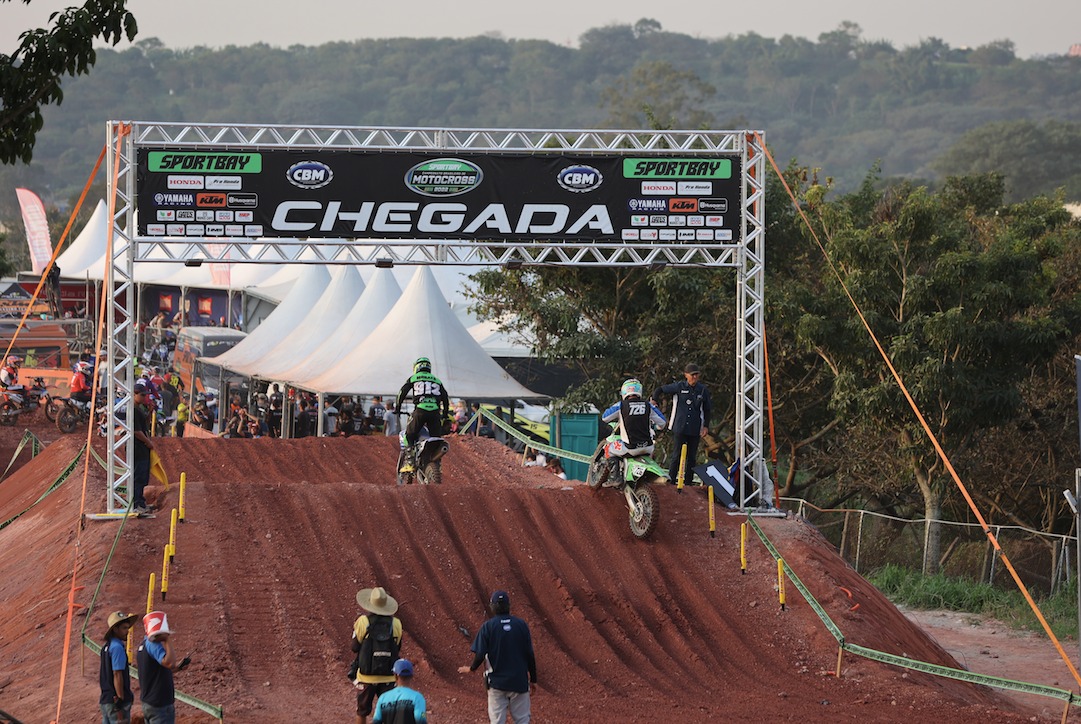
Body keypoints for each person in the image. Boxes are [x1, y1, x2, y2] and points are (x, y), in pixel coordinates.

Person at [458, 590, 536, 724]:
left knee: (497, 721)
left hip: (497, 683)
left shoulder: (488, 627)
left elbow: (480, 654)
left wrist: (472, 669)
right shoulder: (521, 625)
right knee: (523, 720)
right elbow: (529, 654)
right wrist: (533, 679)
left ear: (493, 607)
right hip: (519, 682)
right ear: (508, 606)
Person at [598, 378, 668, 484]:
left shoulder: (621, 405)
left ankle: (615, 477)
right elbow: (662, 423)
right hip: (648, 447)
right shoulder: (648, 405)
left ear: (625, 391)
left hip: (630, 447)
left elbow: (605, 417)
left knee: (608, 448)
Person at [351, 586, 404, 724]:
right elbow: (397, 647)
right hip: (388, 675)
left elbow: (354, 647)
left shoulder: (363, 621)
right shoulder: (396, 624)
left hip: (366, 676)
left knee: (362, 711)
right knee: (388, 713)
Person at [652, 363, 712, 485]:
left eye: (697, 375)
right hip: (680, 425)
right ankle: (671, 480)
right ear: (686, 375)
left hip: (695, 427)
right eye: (692, 375)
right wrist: (654, 399)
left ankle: (688, 483)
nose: (695, 377)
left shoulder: (703, 390)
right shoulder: (679, 386)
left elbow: (707, 409)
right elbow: (660, 389)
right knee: (677, 454)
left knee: (691, 457)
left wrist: (706, 426)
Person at [136, 611, 191, 724]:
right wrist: (167, 639)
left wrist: (178, 668)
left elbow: (157, 670)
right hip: (159, 705)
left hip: (149, 702)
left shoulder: (143, 645)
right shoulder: (153, 645)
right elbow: (169, 662)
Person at [395, 357, 449, 473]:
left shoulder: (414, 378)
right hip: (435, 413)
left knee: (409, 435)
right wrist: (444, 414)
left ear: (417, 367)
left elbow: (402, 393)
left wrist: (398, 408)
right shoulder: (437, 380)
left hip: (420, 411)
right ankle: (436, 463)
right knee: (436, 439)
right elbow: (445, 397)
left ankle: (410, 463)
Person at [100, 610, 138, 724]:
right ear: (115, 629)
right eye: (124, 628)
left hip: (106, 699)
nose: (127, 631)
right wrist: (120, 698)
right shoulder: (117, 648)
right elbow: (117, 673)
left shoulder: (106, 647)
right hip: (116, 702)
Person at [372, 658, 427, 724]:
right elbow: (421, 720)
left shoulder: (383, 698)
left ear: (395, 676)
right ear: (411, 676)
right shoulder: (417, 698)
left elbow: (376, 722)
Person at [132, 382, 154, 514]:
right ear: (134, 394)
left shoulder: (139, 408)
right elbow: (136, 431)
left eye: (145, 395)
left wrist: (150, 413)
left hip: (142, 447)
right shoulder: (133, 410)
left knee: (142, 476)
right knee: (138, 476)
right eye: (142, 395)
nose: (144, 397)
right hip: (138, 447)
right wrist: (148, 442)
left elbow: (143, 425)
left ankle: (140, 501)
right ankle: (137, 503)